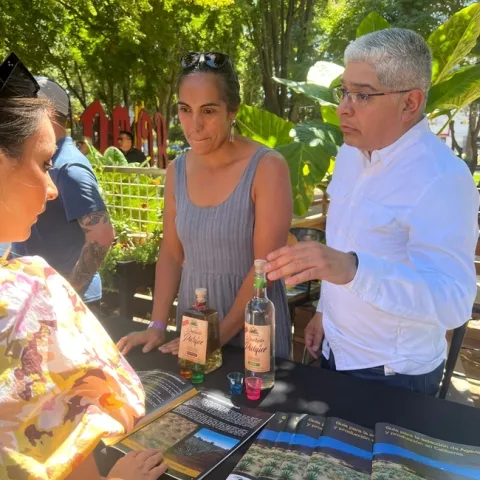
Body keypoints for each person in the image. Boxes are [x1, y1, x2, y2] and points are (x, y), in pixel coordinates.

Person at [265, 29, 479, 396]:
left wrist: (353, 269)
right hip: (335, 351)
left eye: (362, 95)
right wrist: (323, 313)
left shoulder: (442, 178)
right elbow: (346, 242)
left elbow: (453, 301)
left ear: (410, 103)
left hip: (393, 375)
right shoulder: (351, 152)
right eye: (344, 91)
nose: (342, 108)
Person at [0, 53, 167, 479]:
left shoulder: (73, 171)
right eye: (41, 164)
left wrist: (64, 298)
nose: (52, 187)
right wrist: (51, 304)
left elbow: (101, 235)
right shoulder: (30, 295)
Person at [117, 52, 293, 359]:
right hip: (195, 326)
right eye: (185, 109)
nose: (194, 125)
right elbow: (172, 253)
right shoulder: (177, 170)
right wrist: (157, 325)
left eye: (208, 110)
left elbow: (264, 268)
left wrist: (219, 335)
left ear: (233, 110)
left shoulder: (267, 167)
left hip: (253, 331)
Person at [12, 77, 114, 307]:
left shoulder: (68, 168)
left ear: (47, 113)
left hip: (70, 302)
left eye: (23, 111)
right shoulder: (47, 160)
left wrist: (67, 291)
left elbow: (102, 235)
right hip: (40, 294)